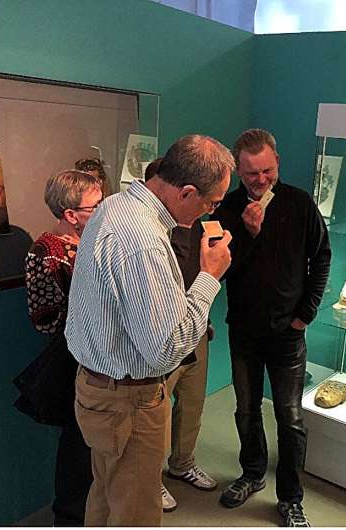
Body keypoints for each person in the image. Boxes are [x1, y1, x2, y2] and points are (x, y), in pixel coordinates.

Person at [65, 134, 234, 527]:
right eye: (212, 203)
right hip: (128, 401)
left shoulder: (115, 205)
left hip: (98, 388)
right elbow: (166, 350)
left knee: (107, 497)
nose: (211, 211)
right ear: (187, 192)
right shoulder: (143, 241)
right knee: (135, 514)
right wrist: (209, 277)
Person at [211, 129, 331, 527]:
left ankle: (291, 498)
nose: (260, 180)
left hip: (288, 333)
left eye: (266, 170)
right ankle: (252, 474)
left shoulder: (299, 202)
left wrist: (306, 313)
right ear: (237, 170)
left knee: (290, 418)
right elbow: (221, 270)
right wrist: (249, 234)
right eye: (251, 174)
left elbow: (321, 257)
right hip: (244, 330)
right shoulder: (226, 210)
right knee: (246, 411)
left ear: (277, 161)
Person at [23, 169, 104, 526]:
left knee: (92, 444)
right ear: (70, 214)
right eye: (95, 206)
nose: (102, 211)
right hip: (71, 359)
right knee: (77, 446)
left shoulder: (91, 240)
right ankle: (70, 518)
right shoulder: (46, 251)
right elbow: (45, 318)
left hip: (95, 354)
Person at [143, 158, 218, 513]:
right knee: (157, 413)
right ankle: (151, 478)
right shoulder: (152, 234)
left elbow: (203, 274)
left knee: (192, 403)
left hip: (197, 330)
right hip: (165, 337)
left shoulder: (199, 222)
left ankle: (182, 462)